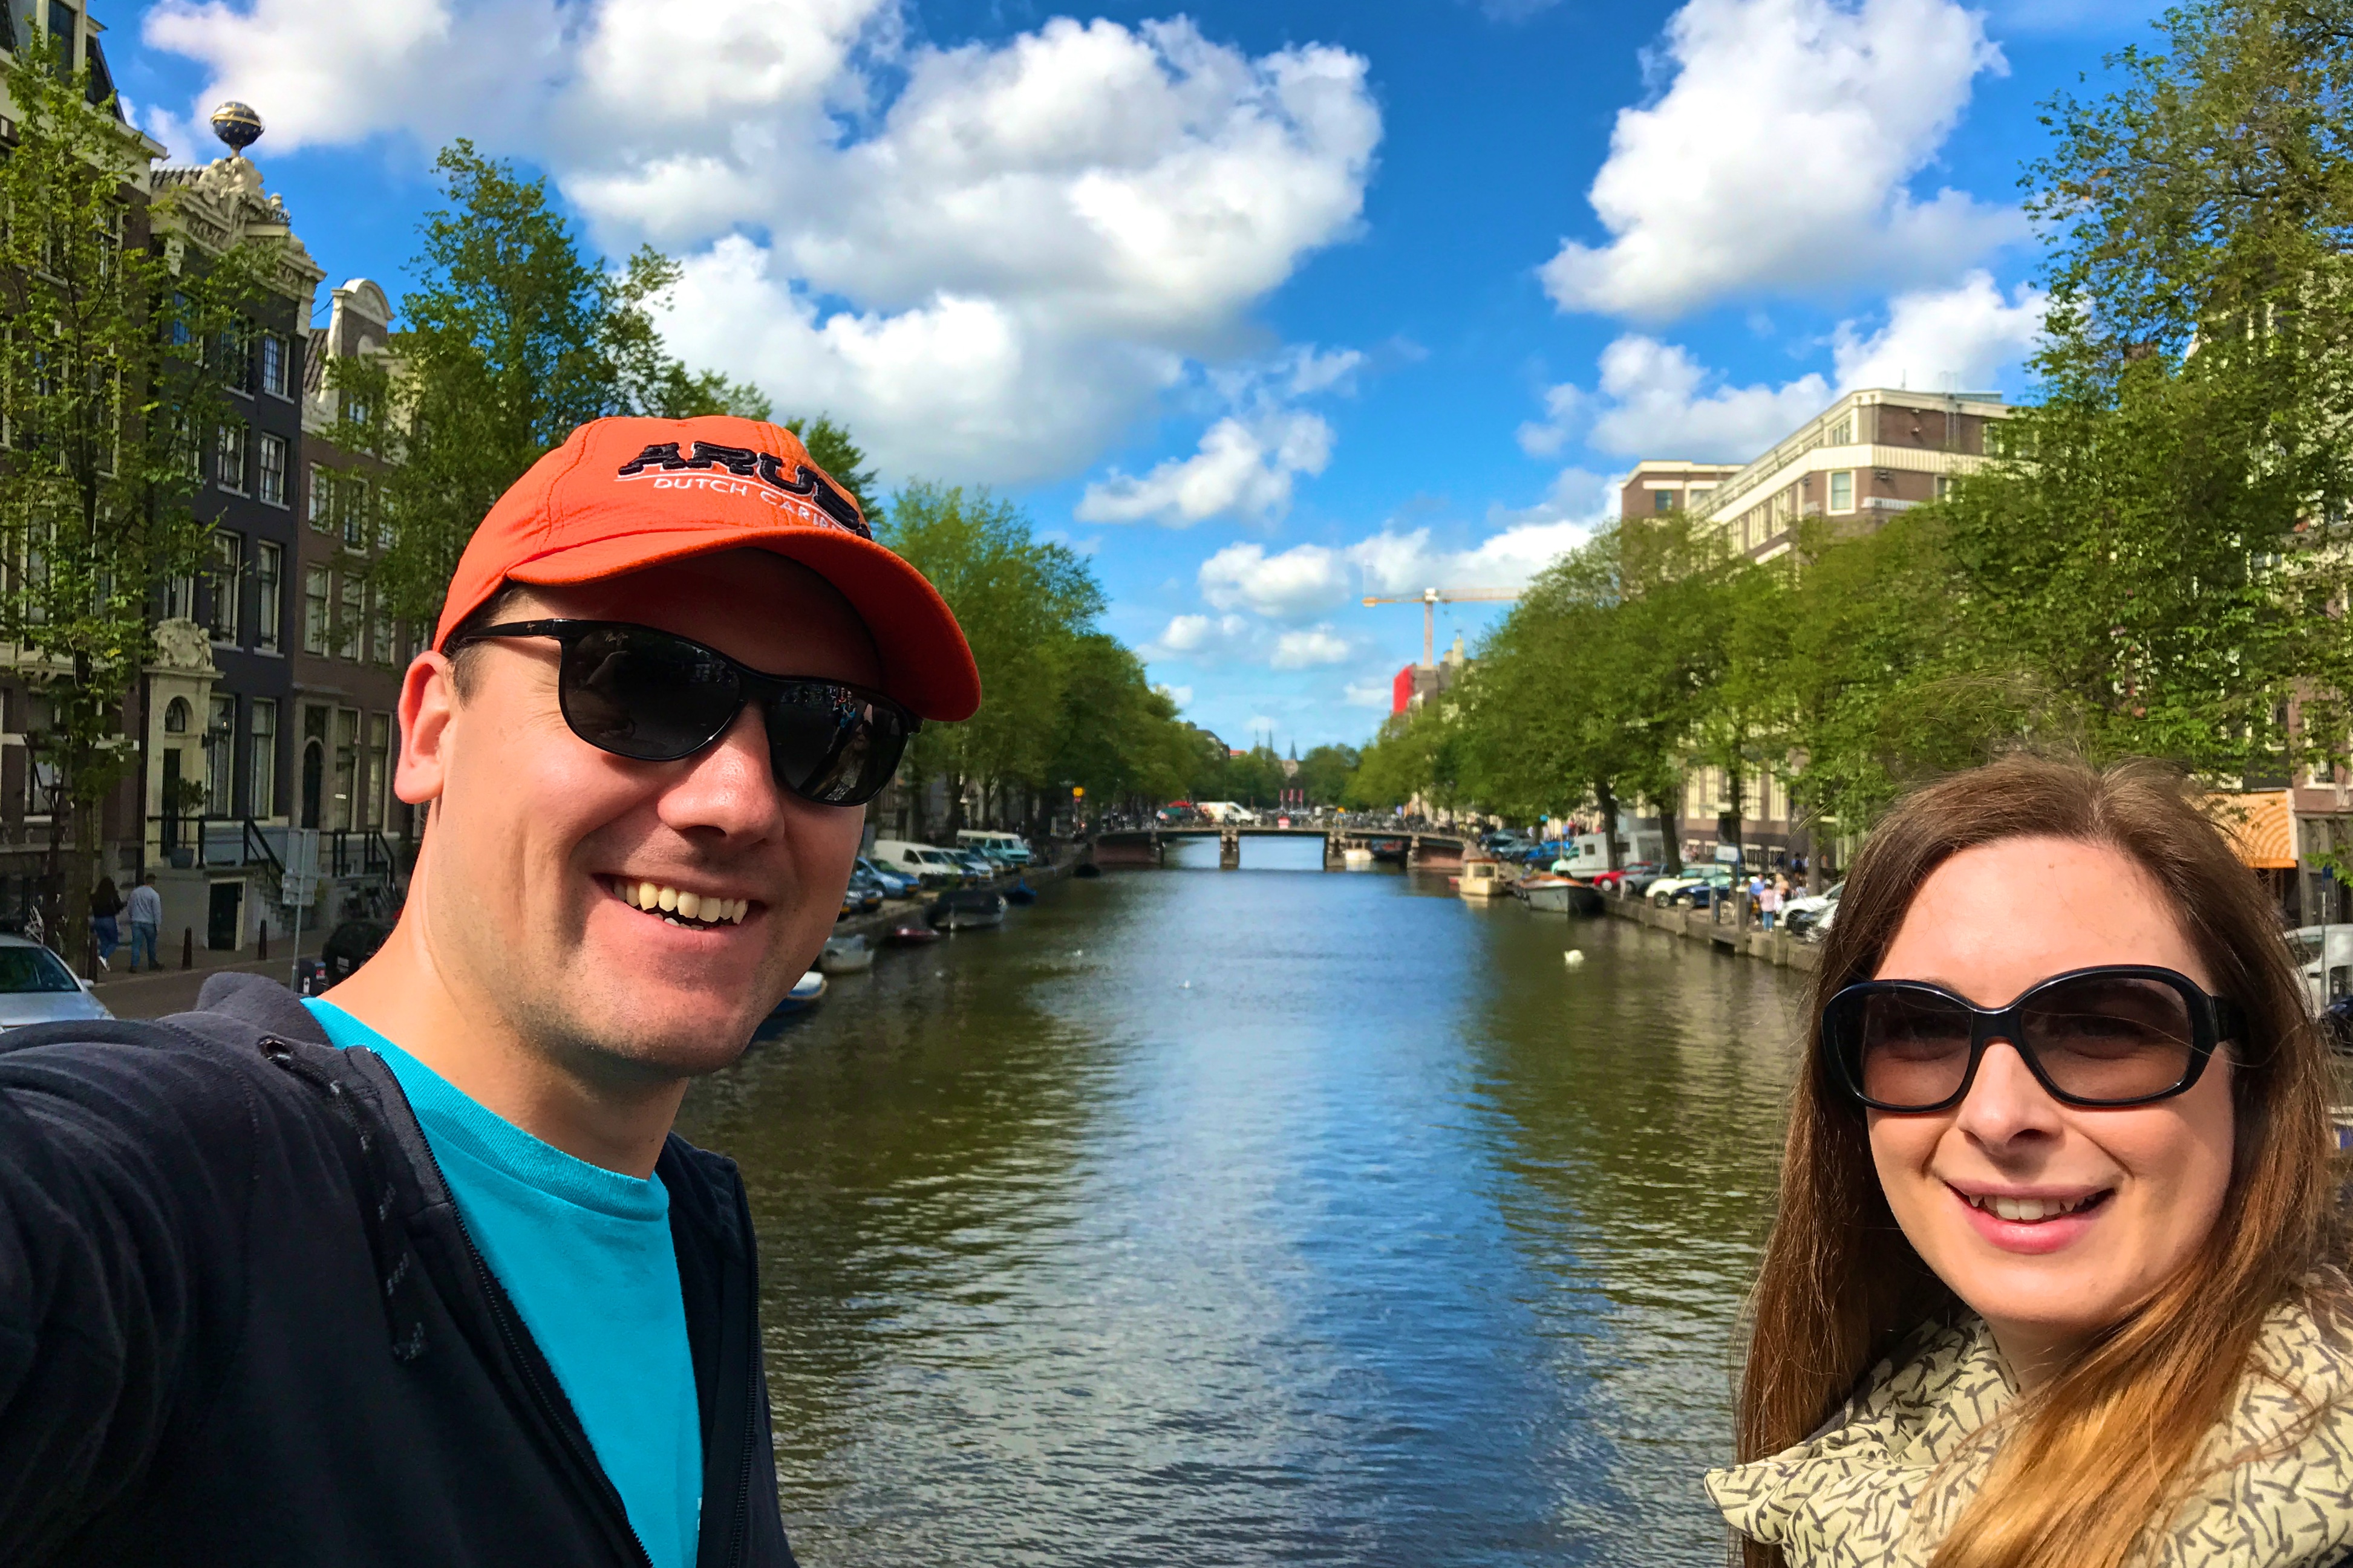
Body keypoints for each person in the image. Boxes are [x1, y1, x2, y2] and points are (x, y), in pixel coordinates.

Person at [0, 415, 980, 1567]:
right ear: (431, 729)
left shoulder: (697, 1236)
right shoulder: (190, 1185)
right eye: (638, 683)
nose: (741, 800)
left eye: (833, 731)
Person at [1709, 755, 2353, 1567]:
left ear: (2251, 1074)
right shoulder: (1880, 1417)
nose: (1995, 1115)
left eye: (2103, 1027)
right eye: (1920, 1027)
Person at [123, 871, 161, 972]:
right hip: (149, 922)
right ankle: (152, 963)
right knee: (151, 945)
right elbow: (157, 911)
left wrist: (132, 917)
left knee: (136, 944)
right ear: (154, 882)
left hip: (136, 921)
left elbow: (130, 907)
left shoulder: (135, 892)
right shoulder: (154, 895)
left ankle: (134, 965)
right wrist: (158, 925)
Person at [86, 876, 122, 969]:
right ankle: (104, 957)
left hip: (98, 920)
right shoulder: (112, 895)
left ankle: (104, 965)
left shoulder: (95, 896)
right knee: (114, 942)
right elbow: (119, 905)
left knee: (104, 942)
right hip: (109, 919)